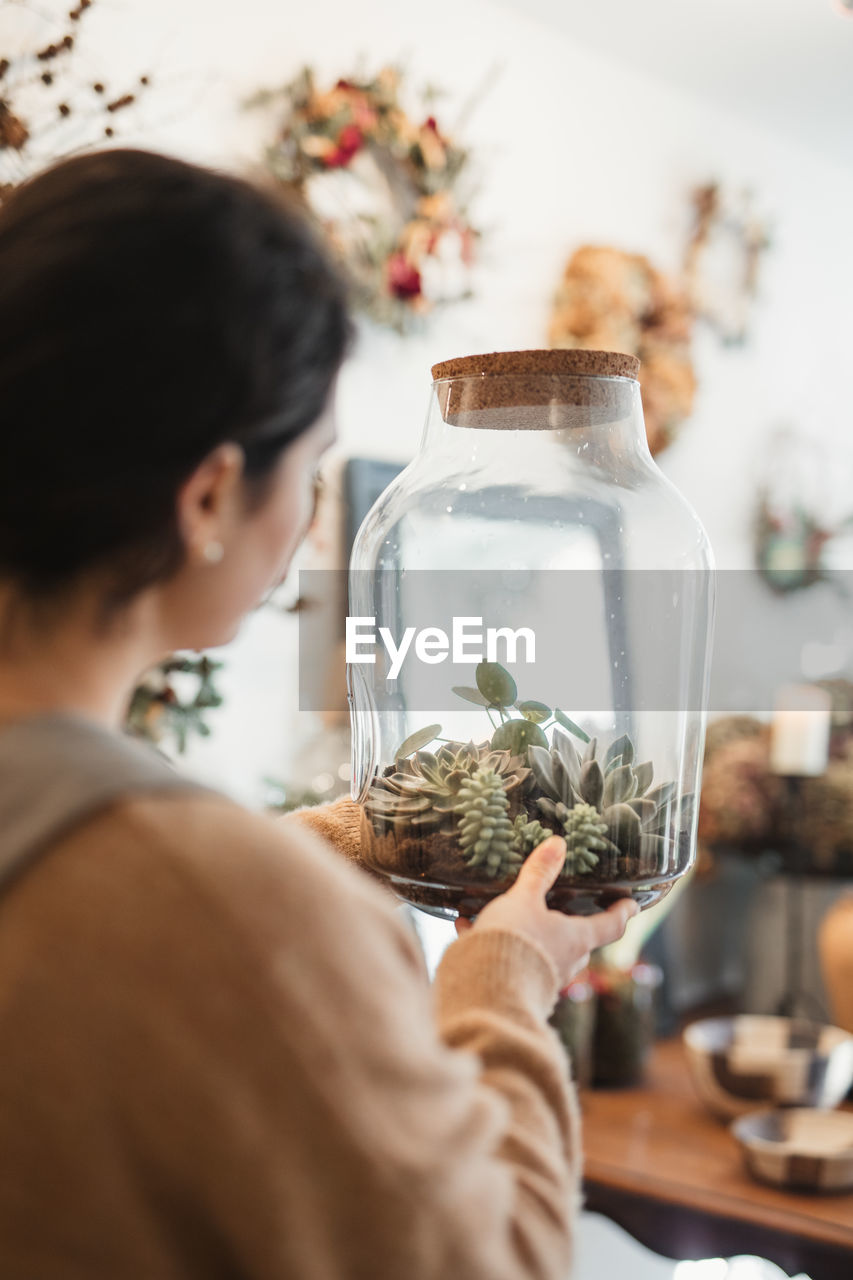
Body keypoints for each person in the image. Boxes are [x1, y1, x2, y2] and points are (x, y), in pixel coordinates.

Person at [0, 149, 638, 1279]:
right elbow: (484, 1261)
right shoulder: (231, 915)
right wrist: (504, 977)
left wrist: (298, 850)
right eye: (311, 469)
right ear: (206, 495)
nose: (305, 524)